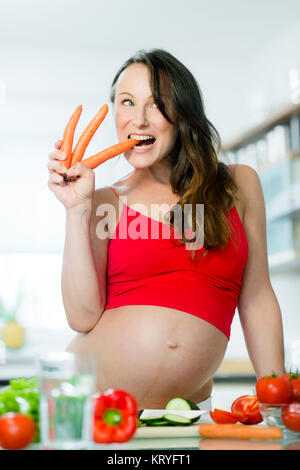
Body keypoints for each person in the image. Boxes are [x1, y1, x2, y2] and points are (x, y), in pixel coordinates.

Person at [47, 49, 286, 411]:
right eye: (127, 102)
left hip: (181, 415)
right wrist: (77, 209)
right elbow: (81, 317)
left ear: (182, 115)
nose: (138, 120)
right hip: (91, 407)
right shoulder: (102, 201)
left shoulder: (237, 185)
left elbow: (256, 297)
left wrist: (277, 396)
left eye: (156, 104)